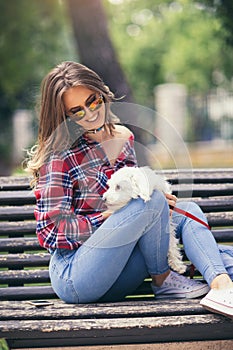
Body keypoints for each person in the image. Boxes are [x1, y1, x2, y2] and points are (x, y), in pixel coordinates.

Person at [26, 61, 233, 319]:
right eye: (77, 111)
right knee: (151, 201)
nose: (90, 114)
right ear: (65, 116)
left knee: (185, 209)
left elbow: (134, 205)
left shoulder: (123, 138)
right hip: (77, 275)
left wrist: (156, 212)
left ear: (102, 93)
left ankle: (222, 287)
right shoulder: (59, 155)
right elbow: (50, 232)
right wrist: (108, 218)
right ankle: (164, 280)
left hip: (121, 271)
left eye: (93, 101)